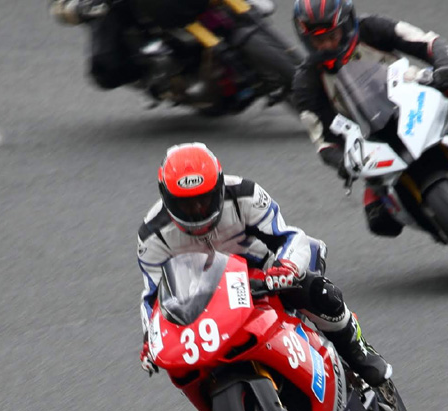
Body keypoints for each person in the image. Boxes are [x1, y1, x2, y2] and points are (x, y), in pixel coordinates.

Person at [137, 142, 391, 387]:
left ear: (220, 187)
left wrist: (286, 268)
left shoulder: (245, 194)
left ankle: (357, 349)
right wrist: (151, 339)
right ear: (166, 199)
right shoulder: (152, 235)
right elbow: (153, 297)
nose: (197, 210)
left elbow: (289, 237)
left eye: (204, 200)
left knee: (320, 293)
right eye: (185, 204)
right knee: (185, 368)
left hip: (266, 275)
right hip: (206, 297)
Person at [291, 0, 448, 237]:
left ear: (347, 26)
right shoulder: (306, 82)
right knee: (380, 220)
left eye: (331, 36)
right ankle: (447, 228)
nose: (326, 45)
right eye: (318, 40)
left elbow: (427, 41)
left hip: (415, 97)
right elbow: (321, 140)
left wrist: (445, 64)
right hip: (373, 140)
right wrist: (342, 161)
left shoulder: (371, 28)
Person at [49, 0, 210, 90]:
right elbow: (61, 8)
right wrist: (77, 7)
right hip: (123, 8)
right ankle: (156, 69)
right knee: (107, 69)